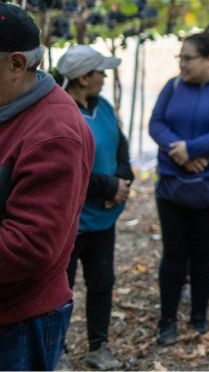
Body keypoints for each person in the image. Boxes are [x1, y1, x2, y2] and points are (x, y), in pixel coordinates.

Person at [0, 3, 93, 371]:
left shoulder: (54, 132)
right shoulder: (6, 104)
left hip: (18, 322)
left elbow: (30, 246)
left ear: (17, 64)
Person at [56, 46, 133, 371]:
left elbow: (120, 145)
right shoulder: (59, 113)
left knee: (102, 281)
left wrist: (124, 179)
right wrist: (110, 187)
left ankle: (98, 346)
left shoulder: (102, 106)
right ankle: (55, 350)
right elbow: (67, 169)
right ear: (84, 77)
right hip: (70, 221)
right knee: (61, 288)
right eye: (101, 72)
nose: (105, 76)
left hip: (103, 217)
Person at [149, 32, 209, 345]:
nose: (182, 64)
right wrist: (177, 151)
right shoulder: (172, 86)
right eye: (179, 58)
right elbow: (156, 124)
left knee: (204, 253)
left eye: (187, 58)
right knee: (174, 253)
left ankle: (198, 316)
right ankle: (167, 320)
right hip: (172, 185)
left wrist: (193, 150)